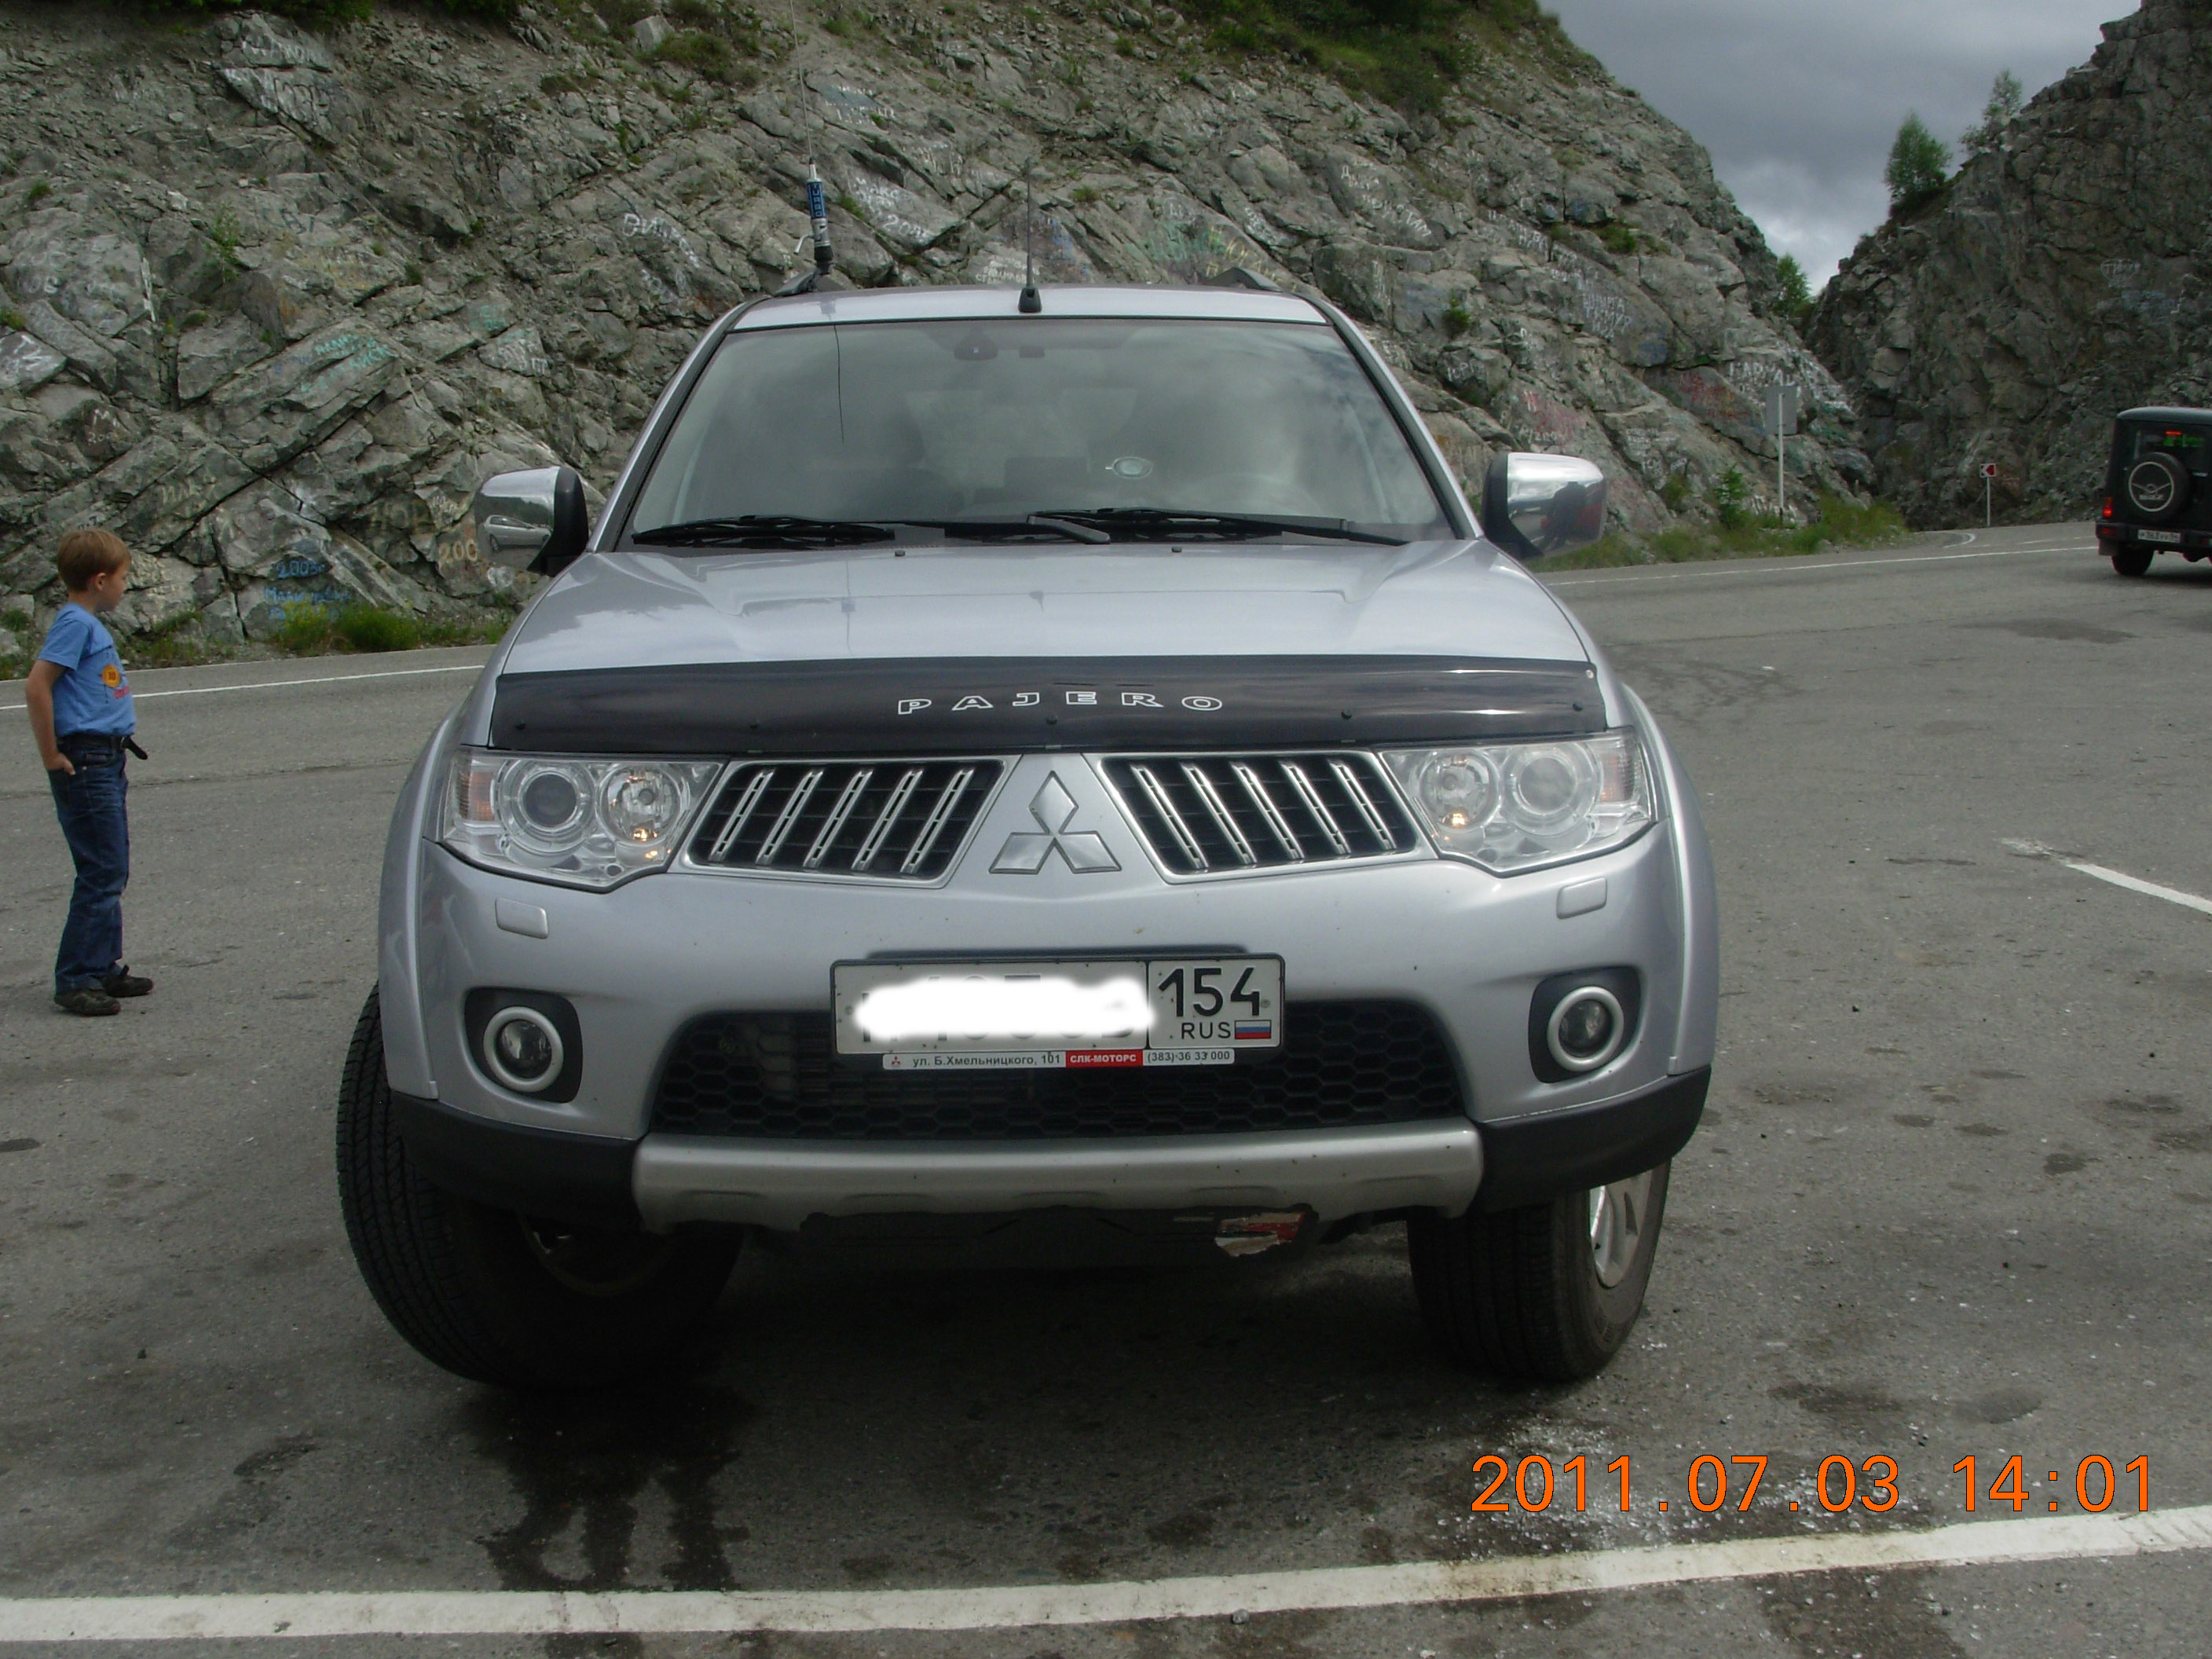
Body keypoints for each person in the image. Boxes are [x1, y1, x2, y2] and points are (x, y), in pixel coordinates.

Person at [24, 527, 152, 1016]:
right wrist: (51, 755)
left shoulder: (85, 623)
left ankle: (101, 965)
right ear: (100, 581)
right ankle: (77, 976)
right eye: (122, 578)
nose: (124, 586)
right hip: (87, 760)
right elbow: (37, 685)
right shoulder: (75, 624)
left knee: (110, 866)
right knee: (102, 870)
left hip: (107, 758)